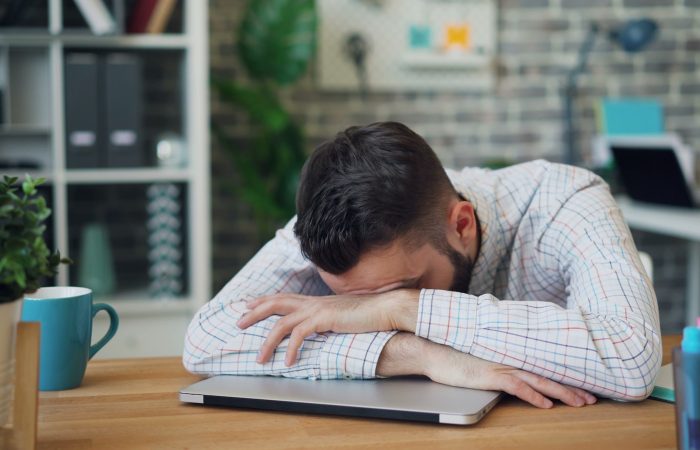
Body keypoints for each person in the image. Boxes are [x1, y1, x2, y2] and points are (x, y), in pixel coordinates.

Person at [184, 121, 661, 408]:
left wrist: (403, 309)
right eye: (352, 299)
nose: (362, 311)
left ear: (462, 224)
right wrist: (416, 354)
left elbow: (631, 357)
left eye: (398, 286)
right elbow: (205, 340)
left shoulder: (566, 200)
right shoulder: (328, 225)